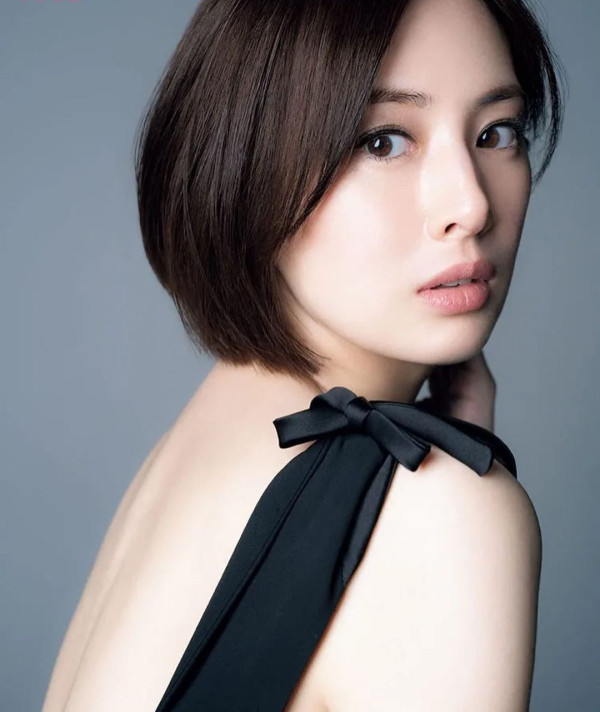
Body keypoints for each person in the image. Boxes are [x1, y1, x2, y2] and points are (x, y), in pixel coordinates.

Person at [42, 0, 566, 709]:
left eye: (496, 132)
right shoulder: (443, 517)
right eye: (383, 141)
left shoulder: (200, 440)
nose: (470, 205)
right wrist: (453, 495)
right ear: (247, 164)